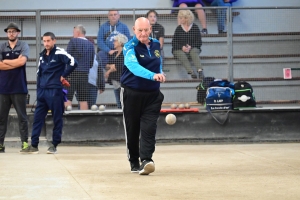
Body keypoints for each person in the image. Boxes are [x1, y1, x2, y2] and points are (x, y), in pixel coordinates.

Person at [120, 17, 165, 175]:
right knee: (133, 128)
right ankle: (134, 161)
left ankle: (146, 160)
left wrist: (160, 73)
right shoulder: (129, 46)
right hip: (131, 93)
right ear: (134, 30)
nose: (143, 33)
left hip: (152, 95)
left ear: (150, 29)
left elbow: (158, 62)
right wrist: (153, 76)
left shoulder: (156, 44)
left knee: (149, 128)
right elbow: (133, 67)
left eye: (146, 30)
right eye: (140, 30)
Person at [20, 32, 77, 154]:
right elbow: (38, 73)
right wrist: (39, 90)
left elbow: (73, 62)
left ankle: (54, 145)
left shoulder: (59, 52)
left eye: (48, 41)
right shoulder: (42, 56)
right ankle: (34, 145)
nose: (46, 43)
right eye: (44, 41)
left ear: (54, 41)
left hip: (55, 92)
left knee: (57, 119)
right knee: (37, 119)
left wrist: (63, 75)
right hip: (42, 93)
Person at [0, 22, 29, 153]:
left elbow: (22, 61)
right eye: (9, 31)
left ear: (18, 32)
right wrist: (15, 63)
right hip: (3, 88)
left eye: (13, 31)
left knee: (22, 117)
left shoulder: (23, 45)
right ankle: (0, 144)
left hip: (19, 87)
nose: (11, 33)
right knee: (1, 117)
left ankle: (24, 143)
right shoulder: (1, 46)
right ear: (7, 33)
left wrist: (5, 61)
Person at [65, 25, 94, 110]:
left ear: (77, 33)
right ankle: (84, 120)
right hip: (84, 74)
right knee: (83, 99)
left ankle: (66, 118)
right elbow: (91, 62)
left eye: (73, 32)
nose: (73, 34)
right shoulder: (90, 44)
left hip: (72, 73)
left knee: (68, 97)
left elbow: (67, 57)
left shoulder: (73, 41)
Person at [171, 10, 203, 79]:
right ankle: (191, 72)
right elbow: (174, 42)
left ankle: (200, 71)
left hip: (193, 48)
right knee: (181, 54)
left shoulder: (195, 27)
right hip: (179, 49)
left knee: (193, 52)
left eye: (181, 18)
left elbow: (199, 42)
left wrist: (190, 47)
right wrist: (182, 47)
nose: (180, 19)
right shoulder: (179, 28)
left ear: (186, 18)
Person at [105, 33, 128, 109]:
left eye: (115, 41)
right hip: (115, 82)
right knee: (119, 103)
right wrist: (111, 67)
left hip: (122, 82)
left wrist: (109, 71)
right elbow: (108, 64)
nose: (113, 42)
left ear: (120, 42)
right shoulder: (115, 53)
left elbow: (119, 66)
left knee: (123, 102)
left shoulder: (124, 53)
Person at [86, 37, 105, 109]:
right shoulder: (81, 56)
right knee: (83, 103)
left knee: (92, 105)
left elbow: (100, 71)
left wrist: (101, 86)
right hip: (83, 84)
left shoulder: (96, 57)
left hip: (93, 84)